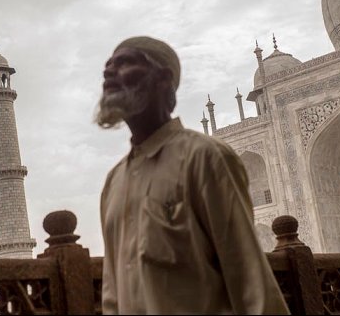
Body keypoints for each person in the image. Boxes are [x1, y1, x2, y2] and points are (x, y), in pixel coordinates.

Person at [97, 36, 290, 315]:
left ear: (162, 79)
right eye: (107, 65)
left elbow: (251, 284)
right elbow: (112, 297)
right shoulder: (114, 182)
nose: (108, 72)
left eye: (124, 63)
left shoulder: (205, 158)